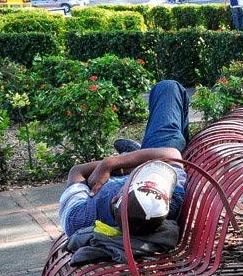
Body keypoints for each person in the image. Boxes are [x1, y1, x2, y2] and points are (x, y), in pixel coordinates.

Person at [58, 80, 191, 238]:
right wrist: (111, 165)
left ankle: (133, 154)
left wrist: (113, 165)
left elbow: (76, 171)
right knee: (169, 88)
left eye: (133, 180)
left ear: (115, 198)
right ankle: (132, 154)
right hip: (158, 155)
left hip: (151, 160)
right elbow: (171, 154)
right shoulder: (171, 199)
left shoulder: (79, 218)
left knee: (167, 90)